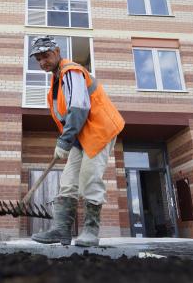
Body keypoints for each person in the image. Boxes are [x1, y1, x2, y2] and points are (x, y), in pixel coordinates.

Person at [29, 36, 125, 247]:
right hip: (80, 136)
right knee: (68, 181)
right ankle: (62, 231)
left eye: (46, 55)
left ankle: (91, 231)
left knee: (89, 178)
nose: (42, 61)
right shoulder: (56, 81)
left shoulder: (71, 71)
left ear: (57, 51)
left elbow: (79, 108)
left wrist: (64, 142)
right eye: (38, 58)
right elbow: (67, 115)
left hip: (98, 130)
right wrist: (67, 140)